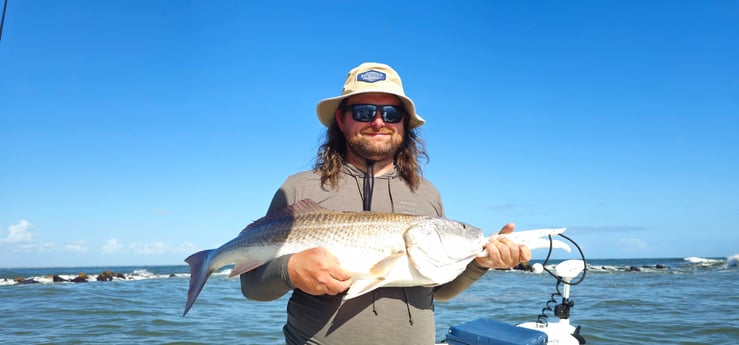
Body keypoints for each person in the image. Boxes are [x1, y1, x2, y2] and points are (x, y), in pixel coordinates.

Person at [240, 62, 531, 345]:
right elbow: (253, 287)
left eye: (391, 113)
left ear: (403, 122)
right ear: (341, 120)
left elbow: (438, 290)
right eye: (363, 111)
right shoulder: (298, 187)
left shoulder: (428, 193)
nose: (378, 122)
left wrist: (480, 264)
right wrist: (288, 270)